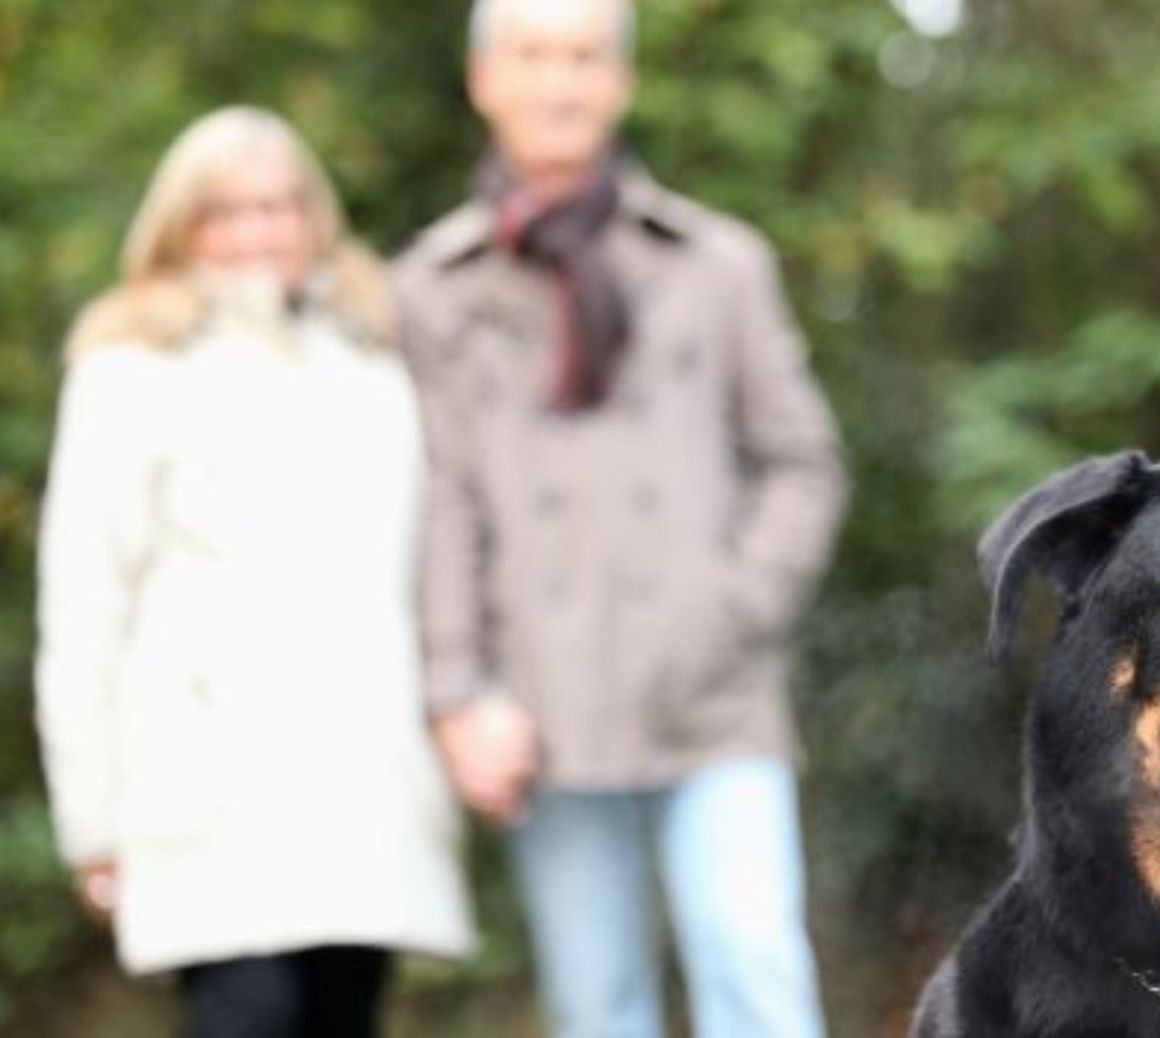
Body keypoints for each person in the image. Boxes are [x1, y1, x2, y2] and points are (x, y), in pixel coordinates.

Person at [393, 1, 849, 1035]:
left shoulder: (717, 262)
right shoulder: (430, 289)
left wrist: (731, 607)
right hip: (543, 710)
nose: (561, 83)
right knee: (597, 1003)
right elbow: (442, 505)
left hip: (714, 695)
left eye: (586, 58)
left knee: (756, 968)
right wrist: (458, 697)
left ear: (622, 82)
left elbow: (802, 462)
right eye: (535, 57)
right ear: (484, 80)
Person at [33, 106, 474, 1037]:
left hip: (359, 776)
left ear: (314, 216)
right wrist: (93, 819)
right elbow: (83, 605)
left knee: (340, 1014)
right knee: (248, 1012)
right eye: (227, 211)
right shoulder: (128, 370)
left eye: (278, 207)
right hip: (207, 782)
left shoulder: (371, 363)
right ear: (182, 226)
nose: (257, 233)